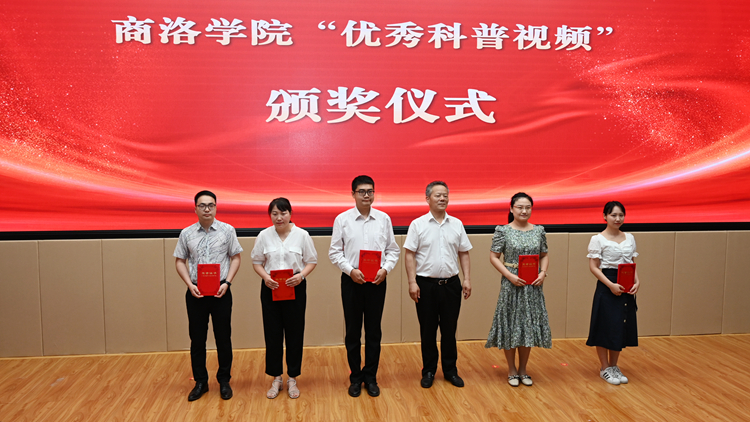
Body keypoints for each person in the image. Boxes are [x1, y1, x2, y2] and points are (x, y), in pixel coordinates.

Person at [329, 175, 400, 398]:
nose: (366, 195)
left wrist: (385, 269)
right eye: (362, 191)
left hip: (377, 282)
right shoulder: (342, 219)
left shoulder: (384, 219)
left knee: (373, 331)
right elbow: (334, 252)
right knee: (352, 332)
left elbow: (393, 250)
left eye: (370, 191)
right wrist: (350, 270)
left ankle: (370, 377)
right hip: (352, 281)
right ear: (353, 194)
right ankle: (355, 378)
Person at [174, 190, 242, 401]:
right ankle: (201, 382)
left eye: (210, 205)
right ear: (195, 208)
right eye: (202, 205)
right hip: (196, 293)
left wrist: (227, 282)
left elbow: (236, 257)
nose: (206, 209)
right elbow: (180, 261)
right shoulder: (186, 233)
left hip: (221, 291)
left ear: (215, 207)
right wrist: (189, 285)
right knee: (197, 339)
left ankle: (224, 381)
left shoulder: (227, 230)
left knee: (223, 337)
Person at [404, 181, 472, 389]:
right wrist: (412, 282)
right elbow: (409, 254)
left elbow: (463, 252)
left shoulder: (457, 224)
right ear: (427, 199)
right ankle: (429, 371)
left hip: (451, 285)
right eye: (438, 195)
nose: (442, 199)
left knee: (450, 330)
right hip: (426, 285)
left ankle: (450, 370)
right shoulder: (418, 224)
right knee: (428, 330)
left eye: (445, 195)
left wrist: (467, 279)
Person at [251, 198, 317, 399]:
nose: (279, 217)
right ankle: (277, 378)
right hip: (271, 288)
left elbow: (311, 261)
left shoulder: (302, 235)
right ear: (270, 215)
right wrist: (265, 277)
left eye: (283, 213)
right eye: (274, 214)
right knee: (272, 333)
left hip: (295, 288)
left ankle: (293, 378)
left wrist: (301, 276)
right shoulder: (263, 235)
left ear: (290, 213)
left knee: (295, 333)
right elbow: (257, 262)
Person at [485, 192, 551, 387]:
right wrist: (509, 276)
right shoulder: (503, 230)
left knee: (527, 326)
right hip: (511, 284)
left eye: (528, 207)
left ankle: (523, 369)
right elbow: (494, 257)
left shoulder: (539, 231)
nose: (524, 211)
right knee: (511, 325)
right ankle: (512, 370)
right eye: (520, 207)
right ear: (511, 209)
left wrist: (543, 273)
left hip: (532, 286)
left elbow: (544, 255)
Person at [586, 201, 640, 385]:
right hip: (607, 284)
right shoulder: (598, 239)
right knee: (605, 325)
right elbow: (594, 267)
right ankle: (604, 368)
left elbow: (631, 262)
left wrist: (637, 281)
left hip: (626, 284)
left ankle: (614, 366)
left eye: (621, 215)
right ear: (605, 216)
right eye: (613, 215)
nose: (618, 219)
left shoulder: (630, 237)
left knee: (619, 325)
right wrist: (610, 285)